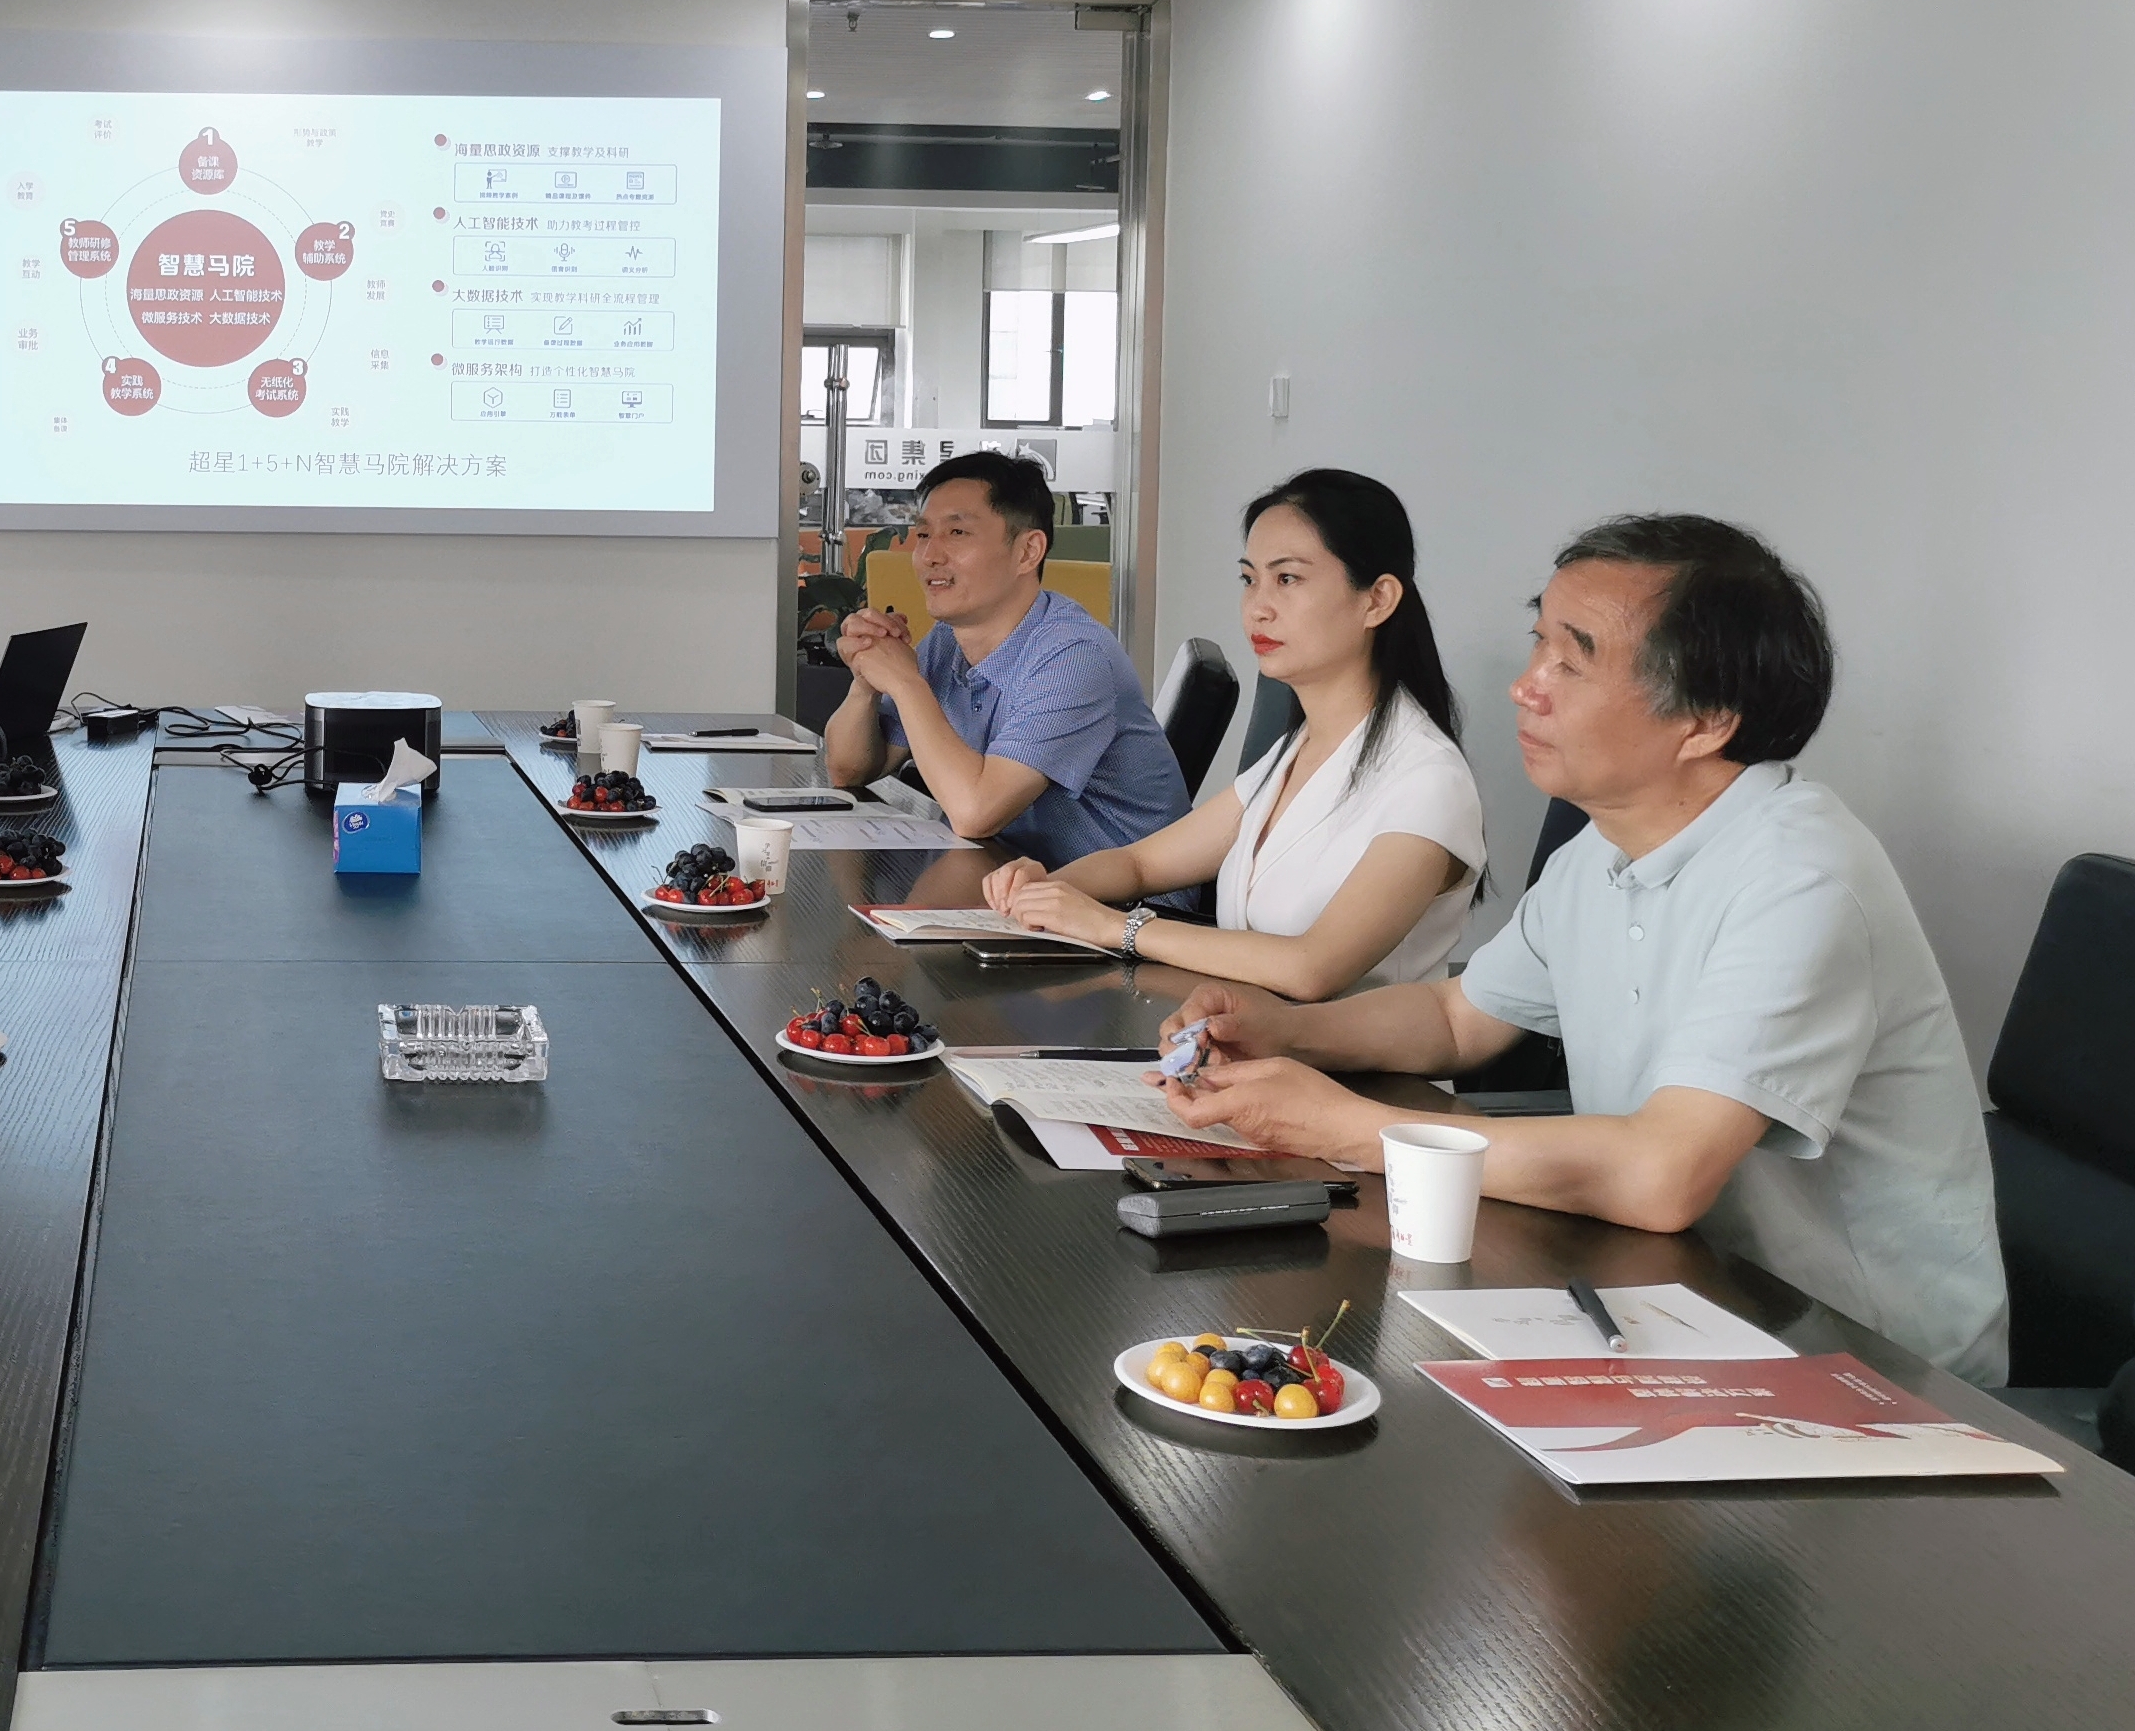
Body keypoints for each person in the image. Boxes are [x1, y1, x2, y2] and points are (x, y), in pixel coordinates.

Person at [1156, 515, 2007, 1382]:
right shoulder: (1602, 847)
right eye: (1539, 645)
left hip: (1859, 1363)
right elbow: (1457, 1019)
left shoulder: (1799, 878)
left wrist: (1346, 1126)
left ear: (1704, 720)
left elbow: (1663, 1174)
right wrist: (1287, 1031)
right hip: (1666, 1298)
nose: (1526, 687)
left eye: (1572, 661)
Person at [980, 470, 1486, 995]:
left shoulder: (1428, 781)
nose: (1257, 607)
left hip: (1348, 1050)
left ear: (1377, 599)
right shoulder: (1301, 749)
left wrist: (1115, 928)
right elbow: (1140, 863)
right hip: (1242, 1031)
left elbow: (1312, 967)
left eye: (1287, 579)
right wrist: (1046, 888)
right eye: (1250, 580)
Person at [823, 451, 1190, 863]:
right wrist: (866, 682)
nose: (930, 555)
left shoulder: (1073, 658)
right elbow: (848, 771)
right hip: (1009, 874)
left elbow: (975, 814)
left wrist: (905, 682)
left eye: (957, 532)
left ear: (1028, 551)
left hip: (1114, 896)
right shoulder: (947, 641)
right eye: (923, 534)